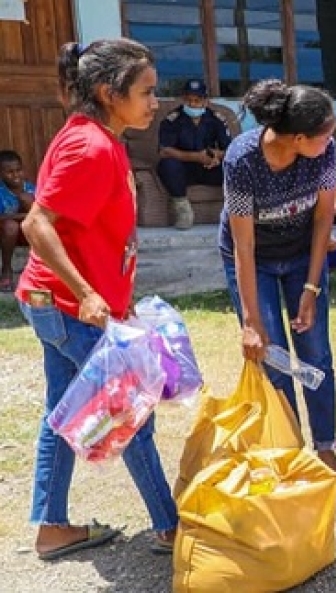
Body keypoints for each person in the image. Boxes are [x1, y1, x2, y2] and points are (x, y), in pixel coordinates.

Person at [15, 39, 177, 560]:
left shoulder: (98, 136)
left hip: (54, 302)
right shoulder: (91, 146)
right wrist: (87, 293)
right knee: (132, 412)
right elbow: (36, 223)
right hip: (66, 307)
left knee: (61, 412)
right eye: (147, 92)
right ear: (110, 93)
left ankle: (51, 526)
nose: (156, 102)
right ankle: (170, 527)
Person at [219, 78, 336, 487]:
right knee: (272, 354)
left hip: (301, 255)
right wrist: (250, 319)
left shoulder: (322, 152)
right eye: (326, 133)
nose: (333, 139)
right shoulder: (241, 159)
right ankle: (289, 450)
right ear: (297, 138)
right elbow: (243, 245)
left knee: (315, 353)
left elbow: (322, 221)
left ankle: (325, 446)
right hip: (253, 259)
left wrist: (312, 288)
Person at [157, 78, 232, 230]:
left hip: (210, 167)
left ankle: (236, 210)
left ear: (205, 101)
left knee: (234, 165)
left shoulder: (216, 119)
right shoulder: (173, 119)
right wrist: (197, 157)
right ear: (183, 99)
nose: (192, 104)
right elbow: (164, 150)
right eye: (188, 100)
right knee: (167, 165)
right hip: (184, 169)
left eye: (197, 100)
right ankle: (182, 209)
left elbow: (231, 150)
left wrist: (216, 156)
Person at [0, 149, 35, 291]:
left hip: (29, 231)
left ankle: (37, 268)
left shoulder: (31, 188)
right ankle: (6, 269)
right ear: (1, 174)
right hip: (7, 234)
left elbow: (41, 214)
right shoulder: (1, 192)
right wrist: (25, 216)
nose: (15, 175)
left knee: (27, 200)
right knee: (10, 226)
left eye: (18, 170)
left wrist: (28, 213)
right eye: (10, 172)